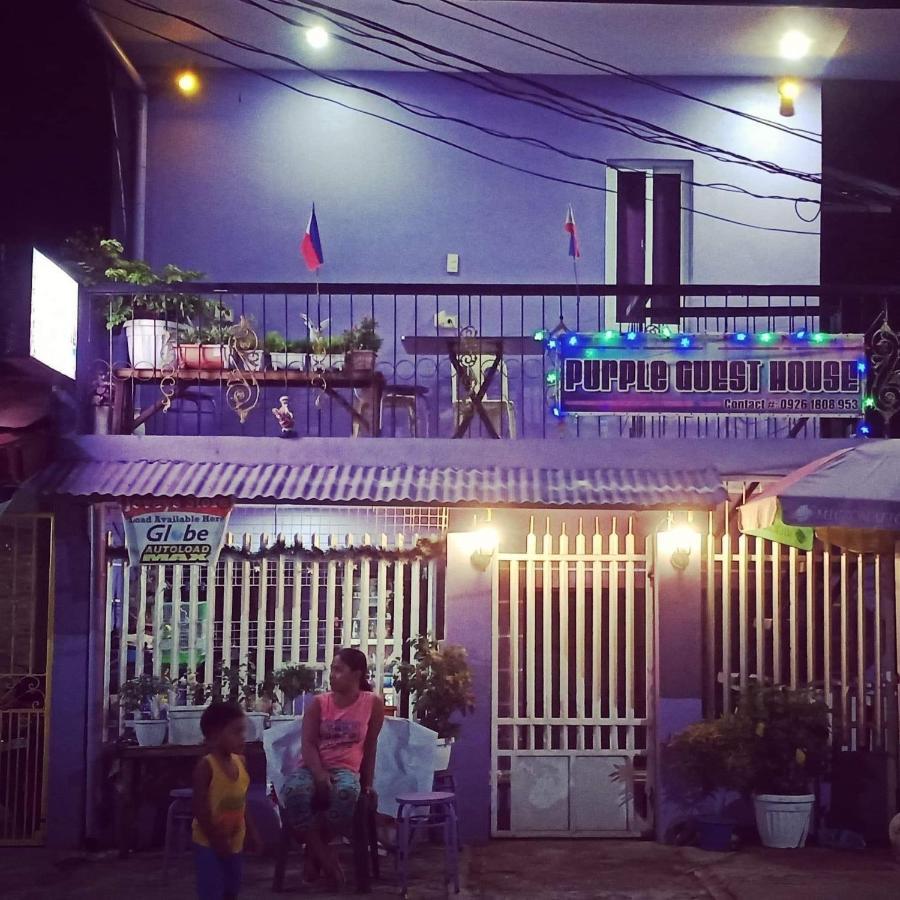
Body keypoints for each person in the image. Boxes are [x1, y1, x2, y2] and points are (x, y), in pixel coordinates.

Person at [282, 647, 385, 887]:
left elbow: (370, 747)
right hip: (312, 766)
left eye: (338, 670)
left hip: (346, 771)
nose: (331, 675)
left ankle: (313, 854)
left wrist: (367, 783)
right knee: (294, 792)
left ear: (357, 674)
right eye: (331, 669)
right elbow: (307, 744)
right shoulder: (319, 703)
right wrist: (318, 773)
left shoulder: (372, 703)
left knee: (346, 793)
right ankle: (326, 858)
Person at [192, 701, 261, 900]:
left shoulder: (241, 762)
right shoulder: (206, 766)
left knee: (232, 889)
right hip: (208, 843)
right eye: (236, 732)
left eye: (243, 731)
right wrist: (215, 839)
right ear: (214, 734)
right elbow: (199, 807)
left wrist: (252, 833)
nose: (242, 738)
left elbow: (242, 802)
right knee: (211, 891)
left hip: (235, 842)